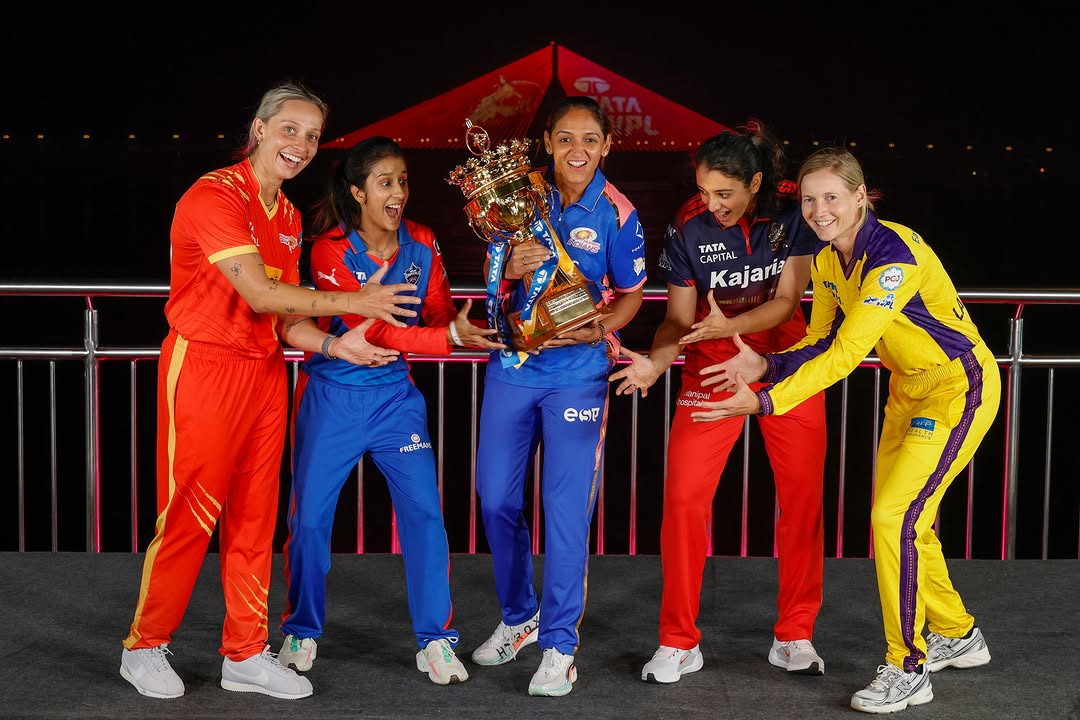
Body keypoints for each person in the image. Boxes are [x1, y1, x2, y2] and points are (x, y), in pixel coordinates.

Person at [118, 82, 422, 701]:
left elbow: (282, 318)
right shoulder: (214, 195)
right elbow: (258, 292)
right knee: (190, 512)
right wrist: (355, 299)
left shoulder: (285, 215)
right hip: (204, 366)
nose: (301, 145)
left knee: (256, 518)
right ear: (259, 129)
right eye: (290, 130)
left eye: (312, 137)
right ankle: (144, 646)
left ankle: (244, 653)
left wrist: (336, 345)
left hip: (264, 372)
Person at [698, 147, 998, 714]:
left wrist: (766, 401)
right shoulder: (827, 260)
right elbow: (819, 340)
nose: (820, 211)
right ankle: (957, 633)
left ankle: (907, 666)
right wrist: (767, 364)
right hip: (907, 392)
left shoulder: (893, 257)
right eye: (810, 200)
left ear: (861, 197)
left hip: (958, 388)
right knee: (908, 520)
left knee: (893, 519)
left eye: (832, 197)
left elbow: (847, 354)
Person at [275, 136, 503, 685]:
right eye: (385, 182)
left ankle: (436, 640)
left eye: (402, 181)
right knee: (309, 522)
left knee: (425, 516)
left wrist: (469, 326)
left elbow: (439, 312)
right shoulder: (329, 249)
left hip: (396, 401)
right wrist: (446, 338)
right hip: (331, 399)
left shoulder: (421, 241)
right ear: (358, 193)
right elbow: (372, 330)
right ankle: (301, 630)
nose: (398, 192)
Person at [609, 122, 828, 684]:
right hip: (710, 368)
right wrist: (657, 362)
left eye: (725, 193)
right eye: (705, 191)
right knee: (684, 500)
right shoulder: (688, 223)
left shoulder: (791, 213)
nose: (713, 204)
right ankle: (678, 642)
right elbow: (678, 319)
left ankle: (794, 634)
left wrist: (731, 325)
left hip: (786, 369)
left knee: (802, 502)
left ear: (754, 183)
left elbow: (787, 301)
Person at [470, 96, 647, 696]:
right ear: (547, 142)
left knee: (566, 512)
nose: (578, 150)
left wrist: (600, 329)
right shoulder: (518, 194)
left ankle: (559, 647)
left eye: (590, 139)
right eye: (566, 138)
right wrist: (509, 268)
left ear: (606, 146)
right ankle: (521, 617)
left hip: (578, 374)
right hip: (513, 365)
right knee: (496, 499)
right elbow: (490, 278)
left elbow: (631, 294)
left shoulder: (618, 212)